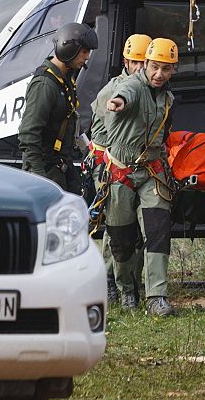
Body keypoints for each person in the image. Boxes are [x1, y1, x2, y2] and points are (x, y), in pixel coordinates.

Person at [104, 38, 178, 316]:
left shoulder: (168, 99)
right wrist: (118, 103)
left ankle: (157, 296)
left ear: (173, 70)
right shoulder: (132, 85)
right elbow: (126, 94)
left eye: (166, 69)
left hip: (151, 171)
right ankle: (126, 291)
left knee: (158, 231)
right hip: (121, 171)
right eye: (155, 67)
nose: (159, 74)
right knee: (121, 238)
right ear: (145, 64)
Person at [89, 34, 151, 309]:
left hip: (133, 164)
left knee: (129, 231)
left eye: (143, 62)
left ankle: (126, 281)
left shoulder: (150, 90)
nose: (140, 68)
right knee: (115, 228)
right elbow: (103, 135)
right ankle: (110, 281)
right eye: (135, 62)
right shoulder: (114, 90)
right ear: (126, 61)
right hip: (110, 164)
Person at [19, 22, 97, 194]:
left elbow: (70, 119)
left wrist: (88, 149)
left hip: (62, 166)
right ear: (69, 48)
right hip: (45, 170)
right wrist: (38, 178)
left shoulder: (65, 79)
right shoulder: (45, 85)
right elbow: (28, 135)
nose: (87, 57)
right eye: (84, 51)